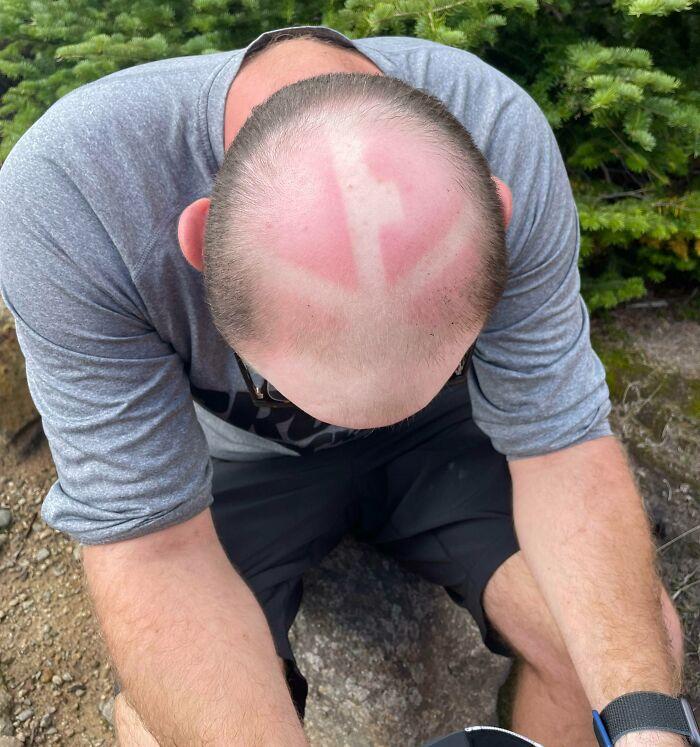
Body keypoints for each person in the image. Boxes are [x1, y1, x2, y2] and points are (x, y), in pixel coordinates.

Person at [0, 25, 687, 747]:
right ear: (198, 241)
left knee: (624, 660)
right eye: (293, 386)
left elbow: (560, 444)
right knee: (159, 725)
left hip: (442, 441)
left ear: (497, 211)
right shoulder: (74, 196)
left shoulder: (494, 128)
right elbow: (153, 545)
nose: (353, 423)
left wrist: (647, 722)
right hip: (232, 468)